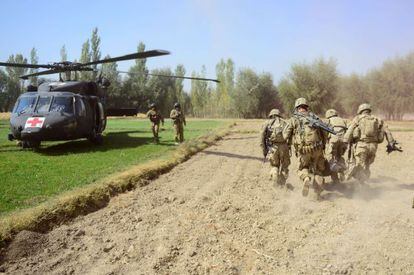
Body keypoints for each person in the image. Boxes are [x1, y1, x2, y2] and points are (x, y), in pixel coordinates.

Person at [343, 103, 401, 183]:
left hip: (361, 146)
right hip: (373, 147)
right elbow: (387, 131)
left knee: (360, 166)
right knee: (367, 165)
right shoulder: (377, 120)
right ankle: (365, 183)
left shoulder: (357, 119)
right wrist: (391, 143)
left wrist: (345, 141)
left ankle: (362, 187)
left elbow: (350, 130)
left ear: (360, 110)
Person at [283, 98, 328, 198]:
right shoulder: (315, 118)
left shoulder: (294, 119)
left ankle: (306, 178)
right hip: (317, 149)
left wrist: (289, 145)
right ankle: (318, 193)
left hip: (303, 150)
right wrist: (323, 145)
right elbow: (325, 133)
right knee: (318, 171)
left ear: (297, 108)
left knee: (303, 168)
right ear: (307, 107)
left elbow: (286, 135)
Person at [260, 109, 291, 188]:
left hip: (272, 147)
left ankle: (274, 176)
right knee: (284, 166)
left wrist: (264, 150)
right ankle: (282, 185)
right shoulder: (285, 123)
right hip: (284, 147)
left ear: (271, 115)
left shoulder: (266, 123)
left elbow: (262, 137)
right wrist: (289, 147)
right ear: (279, 115)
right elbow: (290, 136)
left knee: (274, 165)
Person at [324, 109, 348, 184]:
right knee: (339, 156)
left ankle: (336, 178)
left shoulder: (328, 121)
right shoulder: (342, 120)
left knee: (330, 159)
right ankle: (342, 169)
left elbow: (325, 133)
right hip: (343, 141)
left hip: (333, 141)